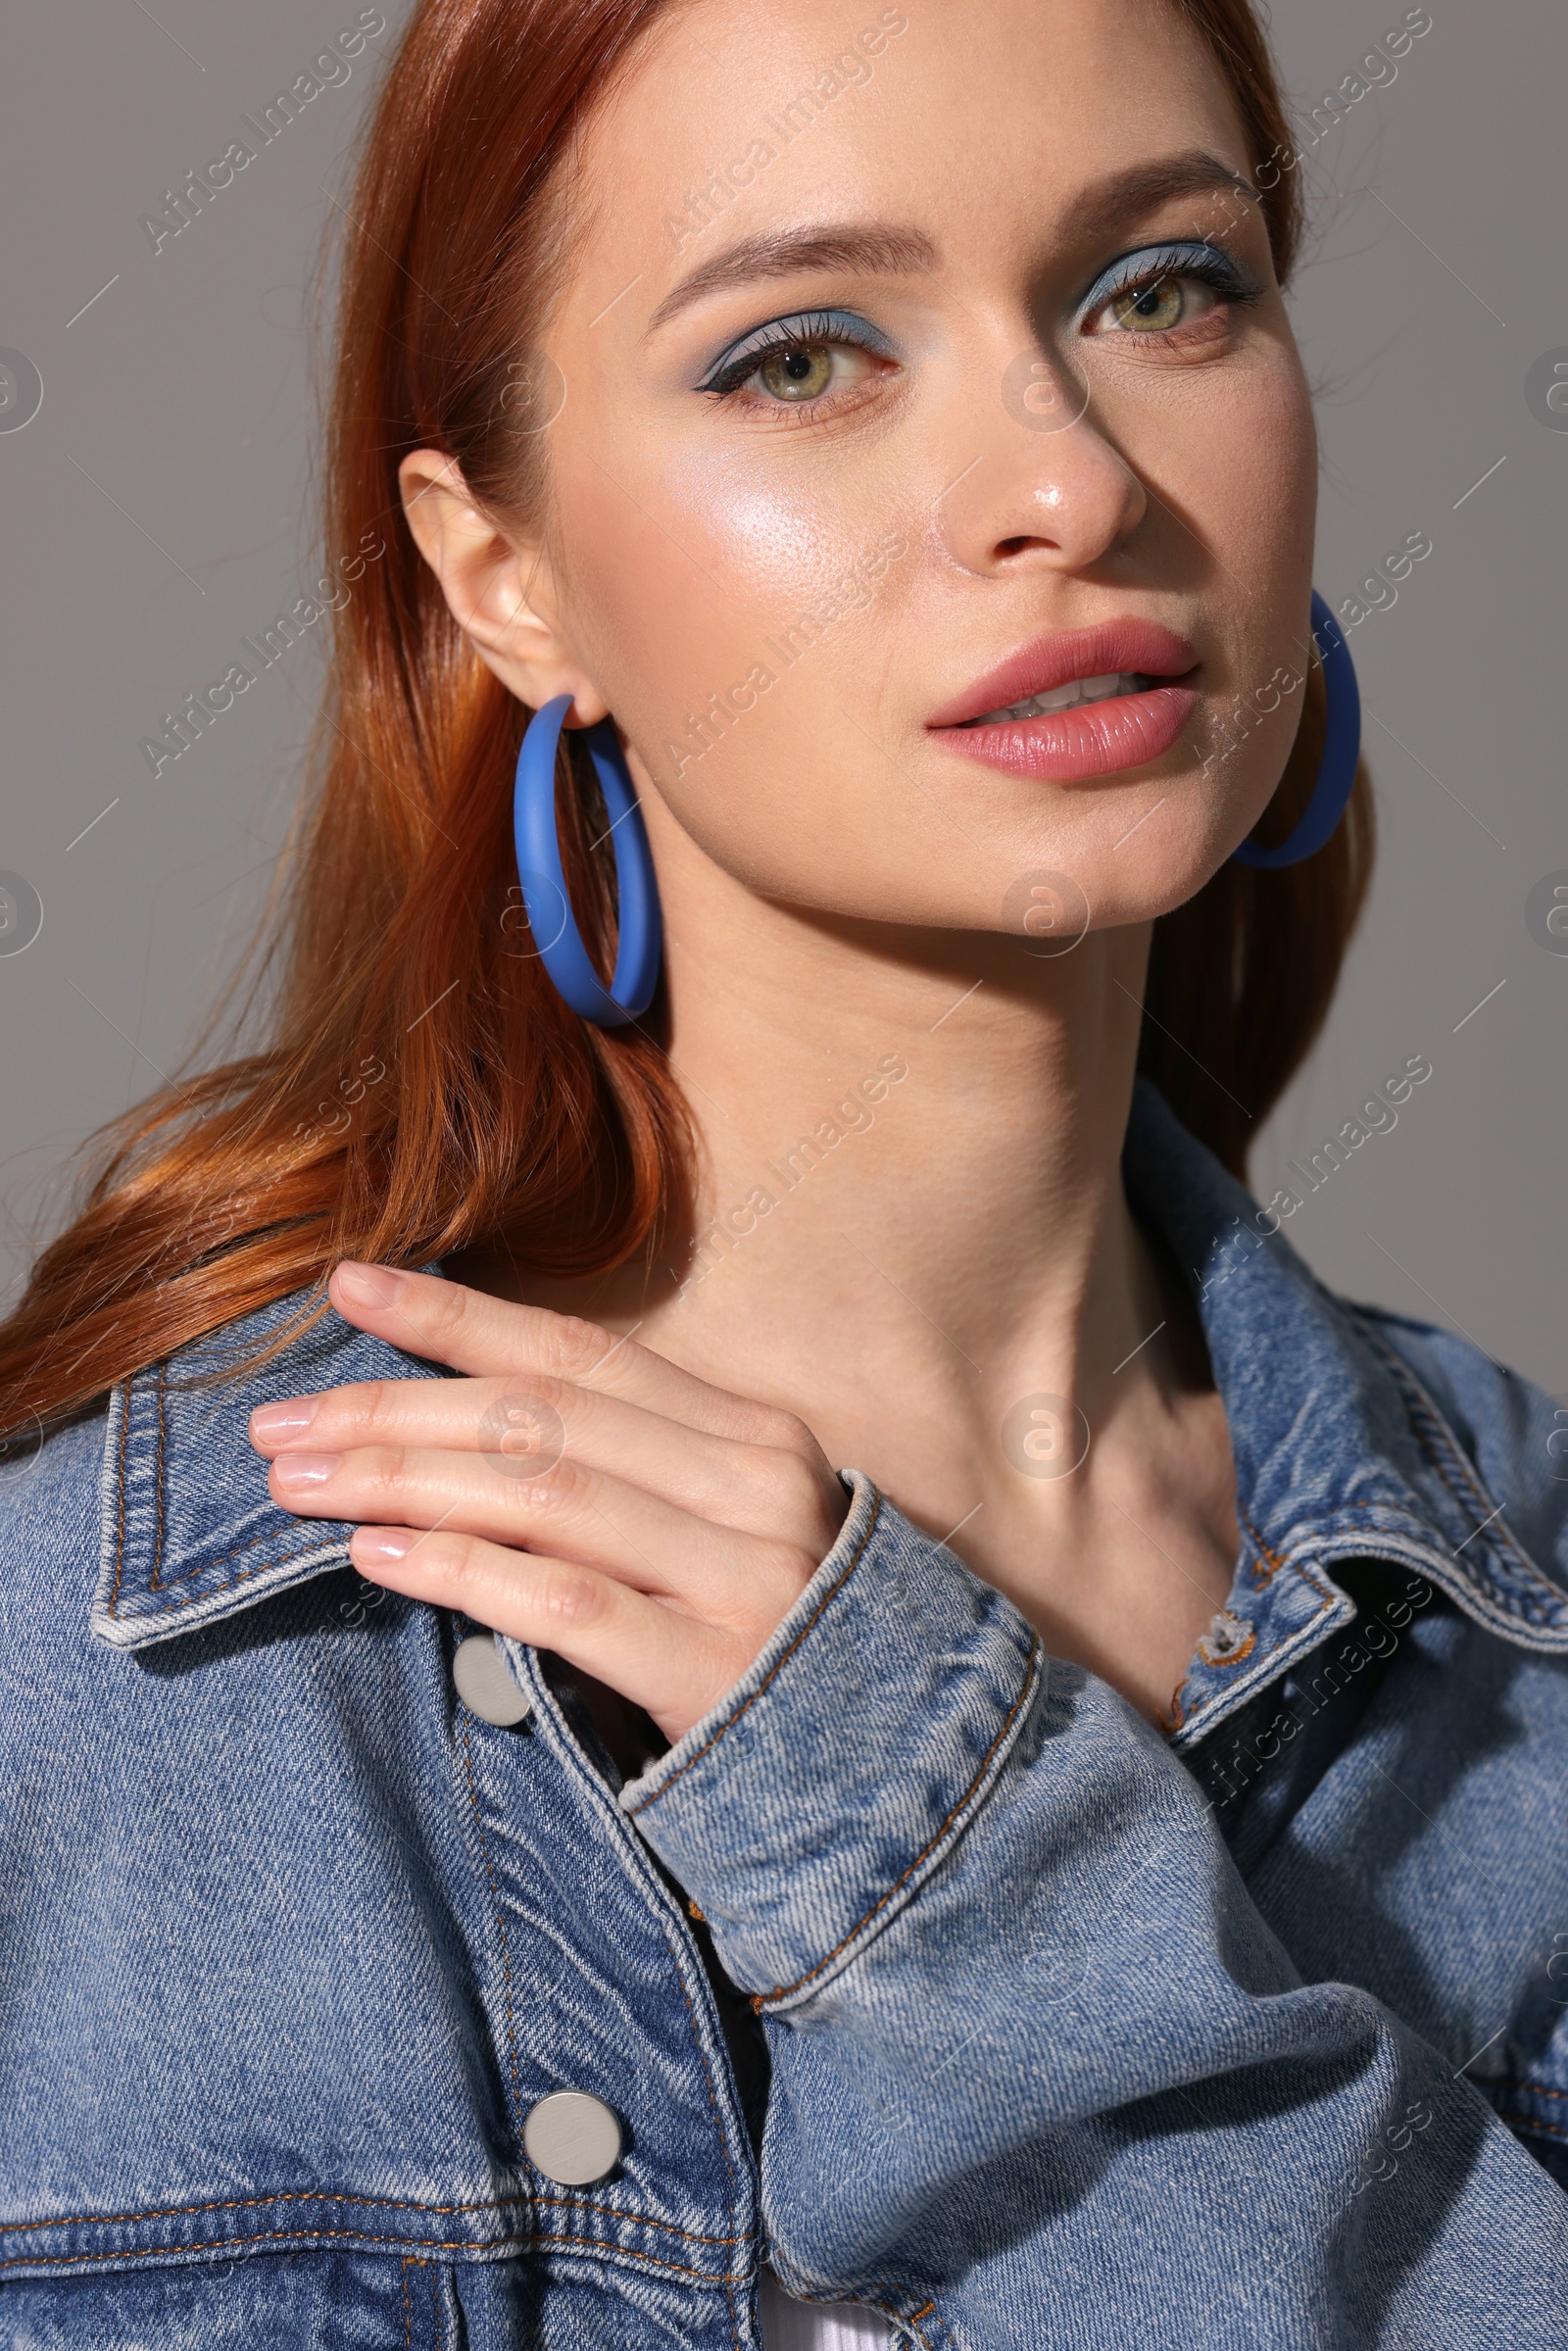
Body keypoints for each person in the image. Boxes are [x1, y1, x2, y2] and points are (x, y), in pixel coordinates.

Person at [1, 0, 1564, 2341]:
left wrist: (943, 1850)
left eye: (1159, 289)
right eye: (801, 356)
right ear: (503, 572)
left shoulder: (1525, 1617)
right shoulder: (123, 1672)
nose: (1064, 482)